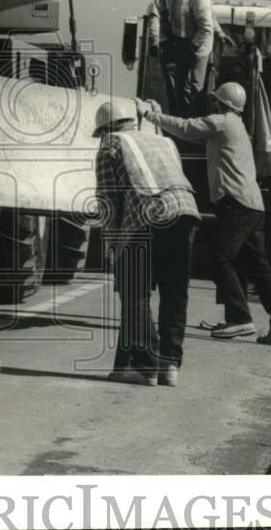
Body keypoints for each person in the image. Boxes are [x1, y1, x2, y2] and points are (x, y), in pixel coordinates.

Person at [138, 82, 271, 345]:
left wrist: (151, 115)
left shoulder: (222, 122)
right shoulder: (237, 126)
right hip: (252, 205)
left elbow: (187, 128)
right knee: (258, 267)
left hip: (235, 203)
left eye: (216, 102)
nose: (213, 105)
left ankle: (240, 319)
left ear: (222, 104)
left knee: (218, 258)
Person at [93, 98, 200, 386]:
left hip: (147, 216)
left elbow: (109, 202)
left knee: (134, 294)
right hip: (186, 212)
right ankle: (169, 365)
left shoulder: (111, 144)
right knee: (174, 292)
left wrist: (112, 245)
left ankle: (145, 366)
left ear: (105, 128)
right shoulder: (162, 141)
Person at [147, 0, 234, 116]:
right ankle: (180, 117)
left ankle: (195, 119)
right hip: (181, 41)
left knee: (194, 86)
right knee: (179, 85)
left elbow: (206, 27)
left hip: (200, 45)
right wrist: (155, 41)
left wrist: (215, 35)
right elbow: (156, 13)